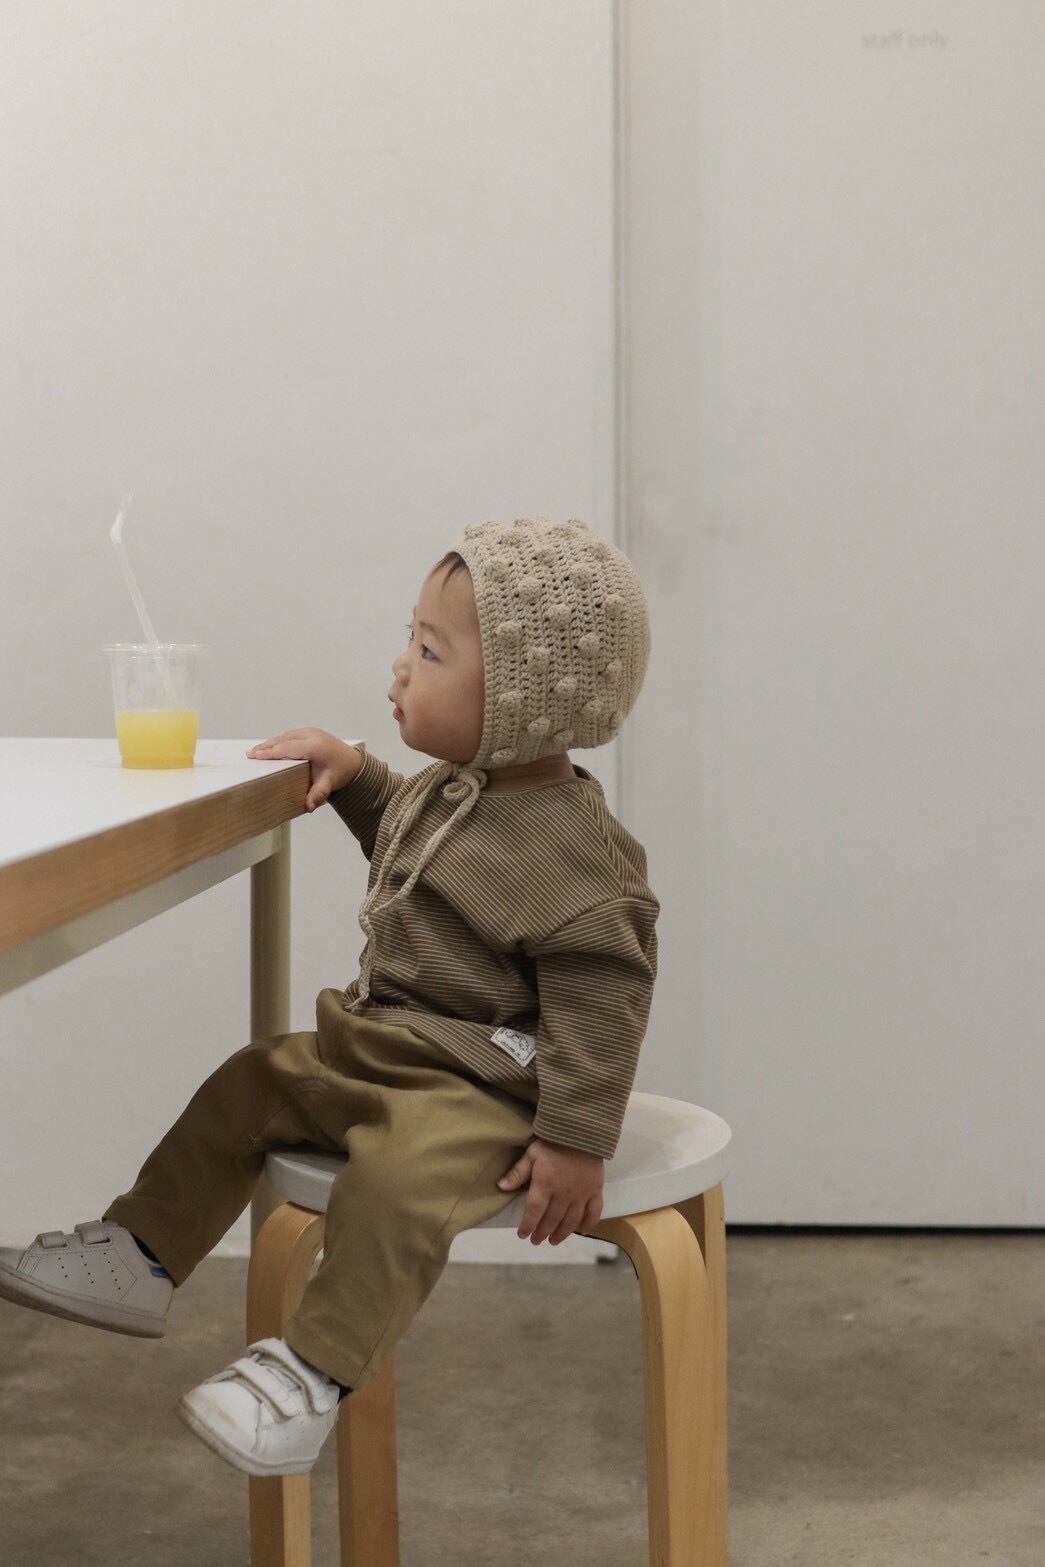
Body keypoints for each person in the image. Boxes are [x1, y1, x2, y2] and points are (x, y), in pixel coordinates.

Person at [0, 516, 660, 1479]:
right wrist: (357, 780)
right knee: (251, 1079)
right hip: (377, 1045)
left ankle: (310, 1374)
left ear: (520, 703)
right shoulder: (454, 790)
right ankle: (140, 1253)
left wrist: (575, 1136)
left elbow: (606, 996)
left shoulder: (573, 854)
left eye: (429, 652)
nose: (399, 667)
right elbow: (413, 835)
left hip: (476, 1088)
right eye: (409, 640)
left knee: (394, 1185)